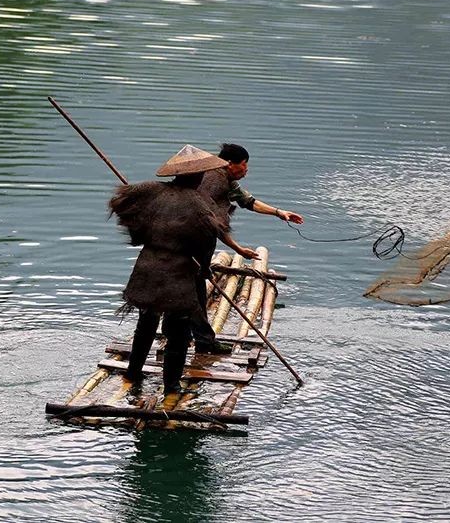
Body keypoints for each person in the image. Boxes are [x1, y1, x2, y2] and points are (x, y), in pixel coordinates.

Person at [108, 145, 231, 395]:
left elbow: (123, 204)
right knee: (178, 332)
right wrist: (204, 267)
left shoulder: (150, 191)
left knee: (146, 323)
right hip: (177, 271)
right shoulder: (199, 205)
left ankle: (133, 372)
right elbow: (208, 240)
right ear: (198, 176)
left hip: (147, 265)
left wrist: (140, 236)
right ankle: (172, 387)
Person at [191, 142, 305, 353]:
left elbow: (249, 202)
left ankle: (200, 339)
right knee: (195, 289)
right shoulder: (214, 183)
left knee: (194, 288)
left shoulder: (228, 181)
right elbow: (212, 223)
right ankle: (203, 341)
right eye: (244, 164)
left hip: (200, 244)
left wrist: (279, 212)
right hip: (192, 243)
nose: (246, 170)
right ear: (230, 164)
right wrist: (238, 249)